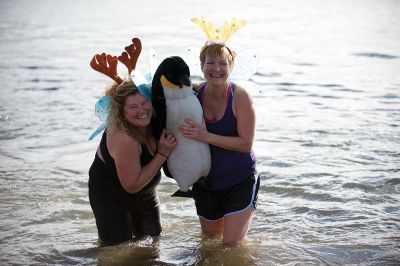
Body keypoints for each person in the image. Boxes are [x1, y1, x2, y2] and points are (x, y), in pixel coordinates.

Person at [179, 43, 259, 246]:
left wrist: (206, 136)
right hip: (206, 184)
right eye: (210, 63)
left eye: (223, 63)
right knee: (209, 243)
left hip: (239, 181)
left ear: (230, 67)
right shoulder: (194, 95)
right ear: (201, 66)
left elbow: (245, 144)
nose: (216, 68)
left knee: (231, 247)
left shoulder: (239, 96)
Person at [88, 78, 177, 246]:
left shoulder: (154, 120)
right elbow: (132, 185)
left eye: (145, 103)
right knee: (118, 250)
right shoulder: (124, 138)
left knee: (153, 243)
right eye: (133, 107)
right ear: (122, 112)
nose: (142, 110)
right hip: (111, 197)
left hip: (146, 194)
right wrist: (162, 154)